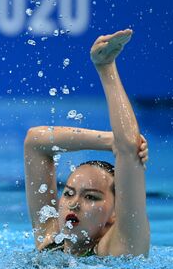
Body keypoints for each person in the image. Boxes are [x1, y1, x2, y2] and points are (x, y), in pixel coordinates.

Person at [24, 29, 150, 257]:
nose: (74, 204)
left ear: (114, 213)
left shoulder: (119, 248)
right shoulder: (51, 240)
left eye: (91, 197)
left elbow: (129, 147)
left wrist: (106, 67)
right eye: (70, 193)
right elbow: (35, 141)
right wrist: (110, 140)